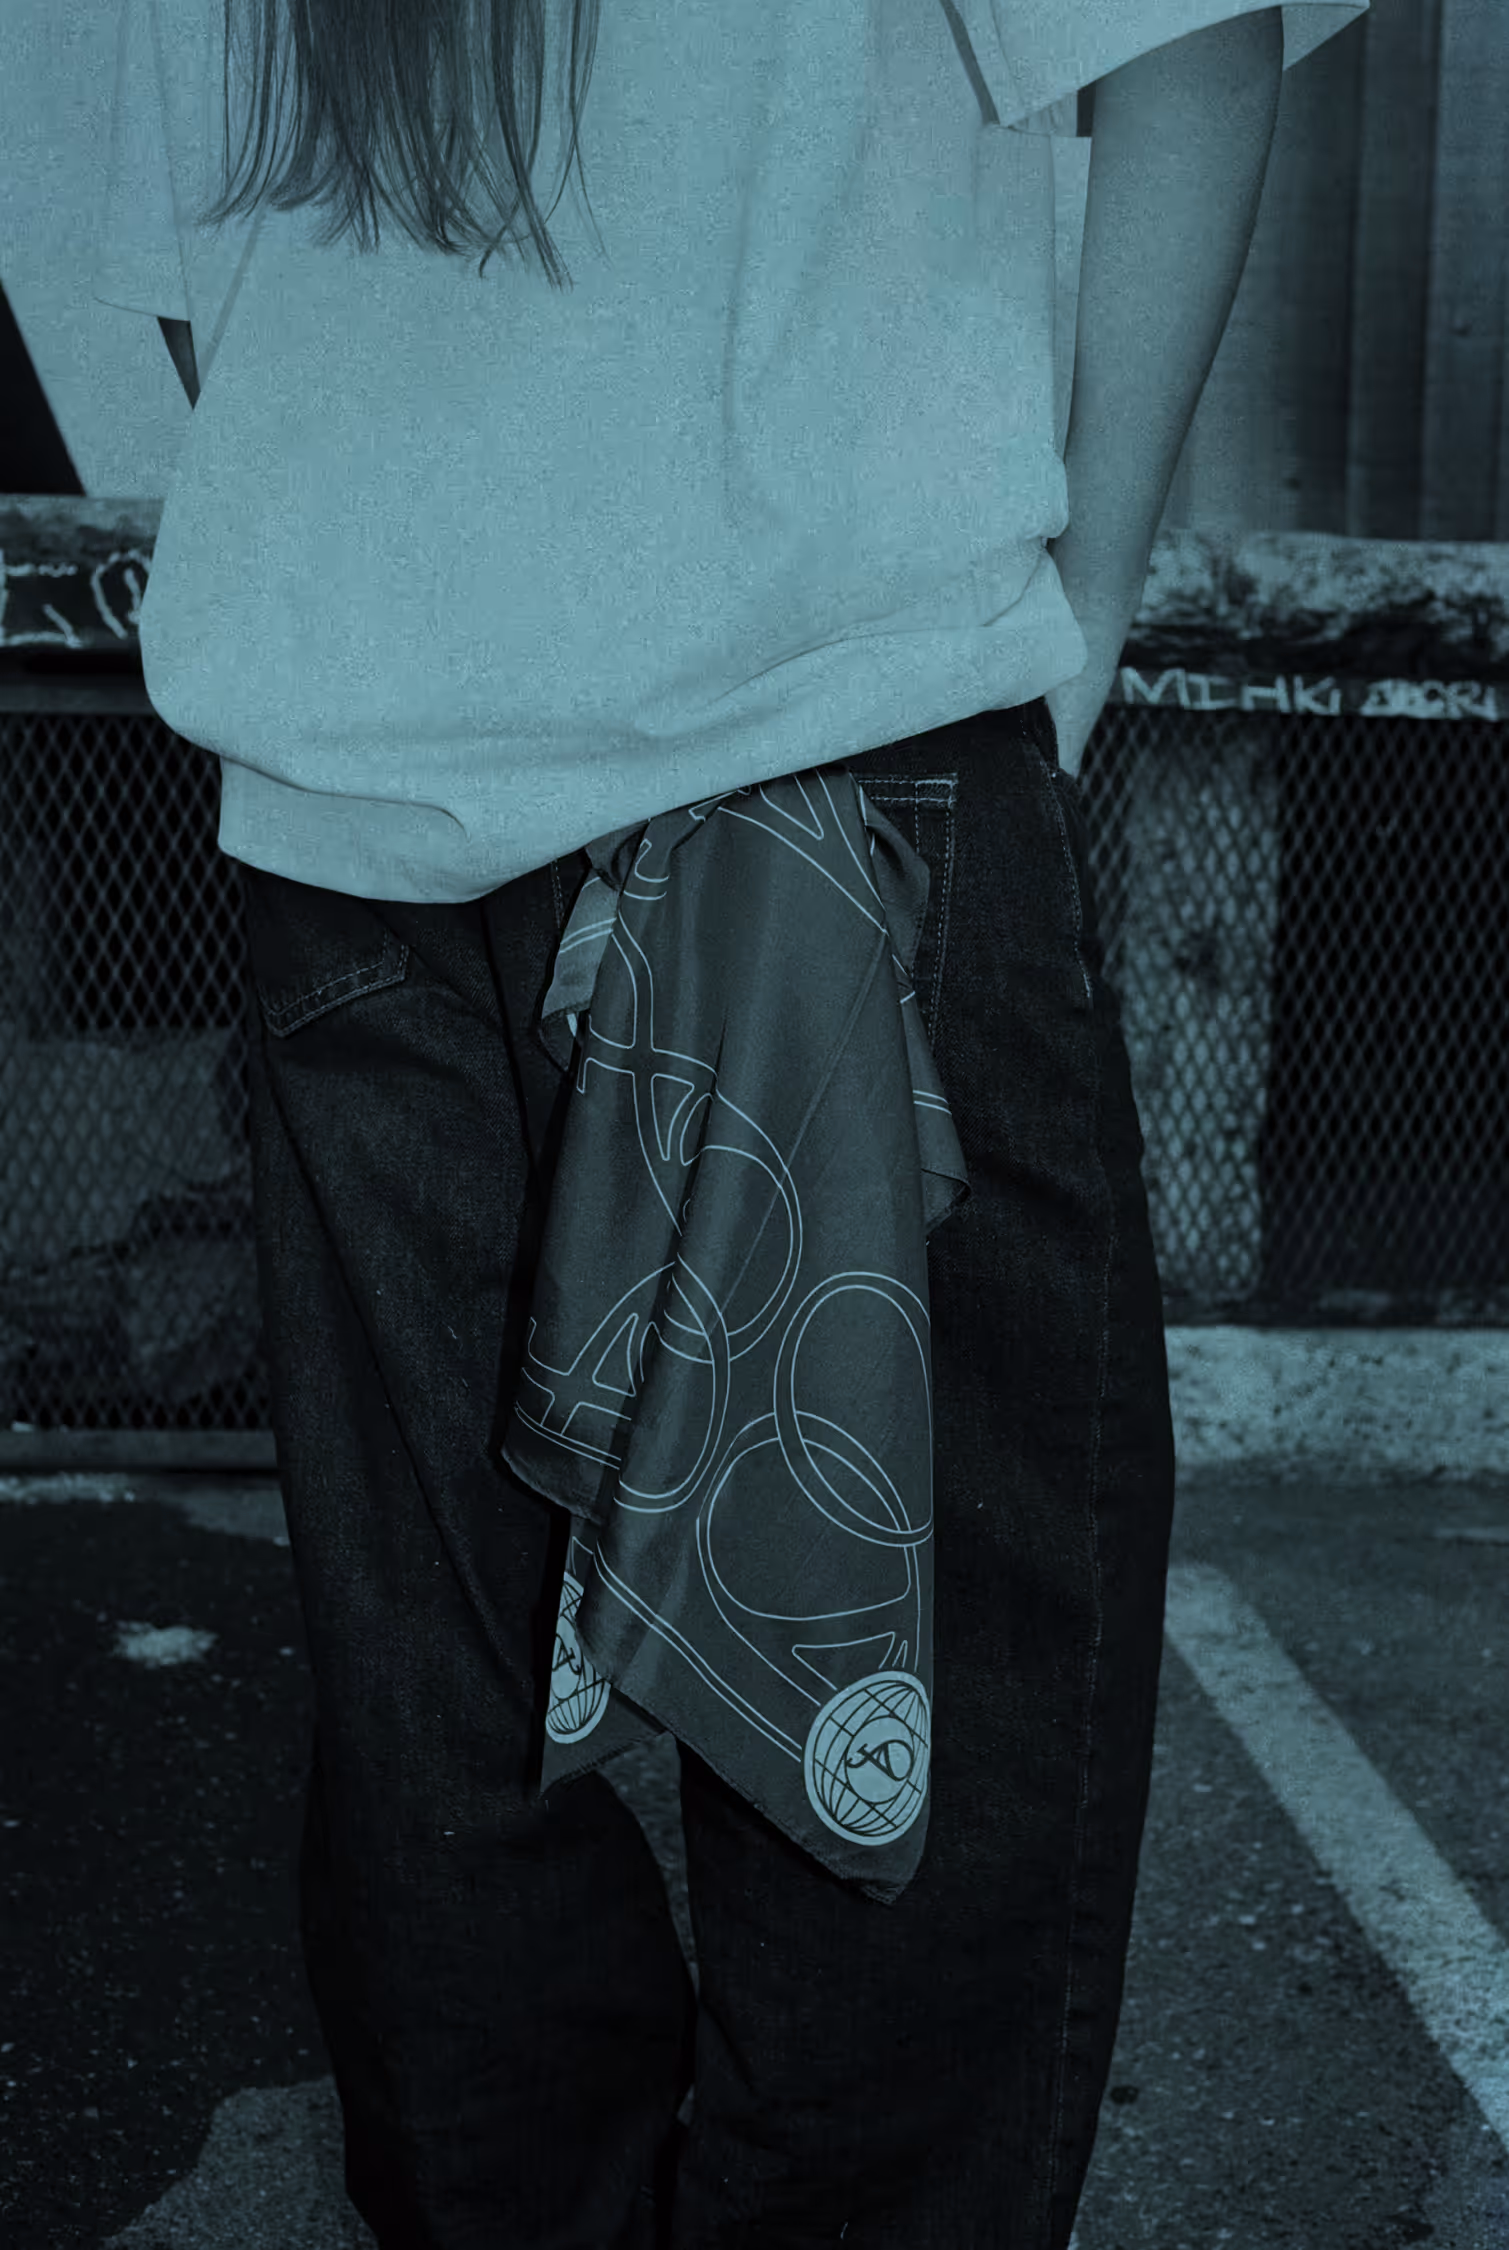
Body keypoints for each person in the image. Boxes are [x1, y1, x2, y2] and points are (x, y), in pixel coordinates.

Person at [93, 0, 1367, 2242]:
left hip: (368, 806)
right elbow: (1192, 44)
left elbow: (202, 275)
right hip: (826, 771)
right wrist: (1077, 617)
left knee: (451, 1720)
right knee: (910, 1719)